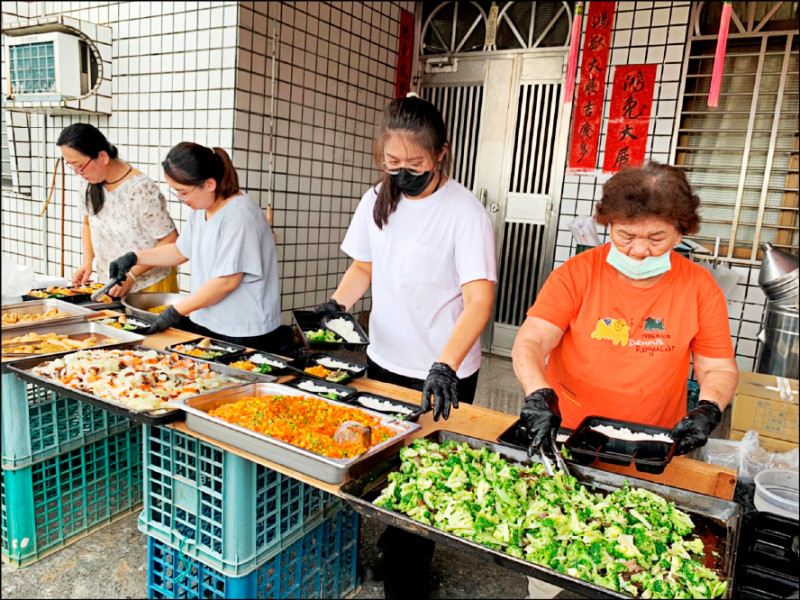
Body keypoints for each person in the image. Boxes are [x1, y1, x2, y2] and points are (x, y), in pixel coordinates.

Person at [512, 162, 739, 598]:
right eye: (625, 235)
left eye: (656, 238)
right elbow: (532, 340)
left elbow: (717, 367)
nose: (638, 251)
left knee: (637, 563)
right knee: (550, 557)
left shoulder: (698, 287)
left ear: (680, 231)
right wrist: (538, 393)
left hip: (655, 449)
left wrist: (708, 408)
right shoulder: (577, 273)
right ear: (607, 224)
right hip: (569, 439)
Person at [316, 94, 497, 599]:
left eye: (413, 164)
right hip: (385, 356)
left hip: (442, 367)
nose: (402, 173)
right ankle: (394, 545)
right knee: (384, 459)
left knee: (422, 473)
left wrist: (445, 364)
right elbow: (364, 267)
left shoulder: (465, 213)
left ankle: (408, 578)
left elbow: (478, 300)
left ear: (441, 153)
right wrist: (336, 307)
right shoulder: (379, 197)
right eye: (392, 163)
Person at [108, 142, 288, 353]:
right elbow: (180, 251)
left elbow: (227, 282)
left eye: (183, 192)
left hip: (243, 330)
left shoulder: (240, 215)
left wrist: (175, 311)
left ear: (209, 184)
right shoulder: (202, 208)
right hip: (208, 320)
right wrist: (133, 258)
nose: (181, 199)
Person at [57, 123, 179, 297]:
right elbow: (87, 222)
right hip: (112, 284)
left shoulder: (141, 190)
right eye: (72, 166)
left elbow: (170, 240)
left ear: (103, 157)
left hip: (150, 285)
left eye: (79, 166)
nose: (78, 173)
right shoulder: (88, 182)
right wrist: (87, 262)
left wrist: (131, 275)